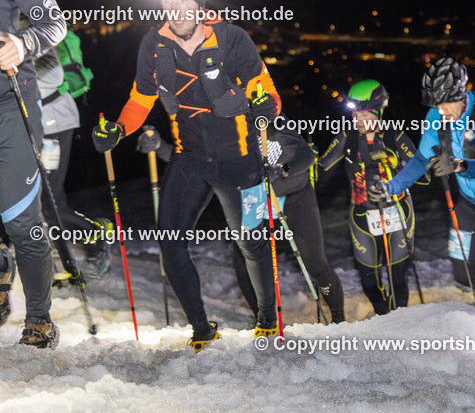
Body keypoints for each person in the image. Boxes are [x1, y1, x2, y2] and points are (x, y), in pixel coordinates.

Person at [92, 0, 280, 351]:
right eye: (167, 2)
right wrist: (119, 130)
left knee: (251, 241)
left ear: (199, 2)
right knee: (170, 239)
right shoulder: (154, 45)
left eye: (183, 0)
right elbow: (140, 99)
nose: (175, 10)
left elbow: (267, 91)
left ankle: (267, 318)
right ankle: (200, 328)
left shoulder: (231, 39)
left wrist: (264, 105)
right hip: (191, 157)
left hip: (240, 158)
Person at [139, 119, 347, 323]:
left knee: (315, 262)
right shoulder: (223, 135)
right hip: (255, 199)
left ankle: (339, 319)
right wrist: (159, 146)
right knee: (246, 262)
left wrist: (283, 169)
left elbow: (307, 155)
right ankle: (264, 320)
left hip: (295, 197)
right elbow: (193, 162)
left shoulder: (274, 124)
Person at [378, 58, 475, 313]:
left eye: (445, 102)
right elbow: (421, 160)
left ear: (461, 94)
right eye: (436, 103)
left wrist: (458, 165)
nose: (440, 109)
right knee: (463, 273)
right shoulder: (436, 115)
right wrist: (390, 187)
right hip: (469, 204)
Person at [0, 0, 67, 348]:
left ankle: (39, 318)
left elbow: (53, 21)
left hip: (9, 101)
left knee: (21, 219)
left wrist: (22, 44)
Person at [321, 80, 418, 315]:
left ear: (379, 112)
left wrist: (394, 161)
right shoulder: (347, 137)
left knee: (398, 279)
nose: (359, 121)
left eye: (365, 115)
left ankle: (399, 325)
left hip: (398, 212)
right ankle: (384, 315)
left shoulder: (395, 134)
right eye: (356, 115)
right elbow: (320, 170)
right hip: (362, 215)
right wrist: (302, 161)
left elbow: (423, 175)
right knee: (369, 283)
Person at [33, 37, 113, 279]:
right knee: (30, 198)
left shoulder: (34, 32)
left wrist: (16, 64)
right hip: (27, 125)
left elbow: (53, 77)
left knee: (50, 199)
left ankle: (95, 236)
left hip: (53, 123)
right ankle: (59, 264)